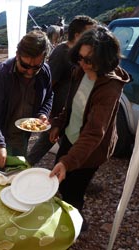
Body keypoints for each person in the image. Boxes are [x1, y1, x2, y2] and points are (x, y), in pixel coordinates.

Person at [49, 26, 131, 230]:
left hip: (91, 149)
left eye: (89, 60)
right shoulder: (80, 70)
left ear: (105, 59)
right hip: (70, 138)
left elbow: (95, 132)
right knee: (64, 183)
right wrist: (59, 123)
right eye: (81, 57)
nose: (83, 63)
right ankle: (68, 217)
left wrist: (67, 162)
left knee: (74, 190)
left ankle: (76, 226)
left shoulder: (109, 87)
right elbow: (73, 104)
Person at [27, 15, 98, 166]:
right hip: (59, 111)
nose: (93, 38)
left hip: (73, 111)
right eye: (90, 33)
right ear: (78, 35)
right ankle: (23, 168)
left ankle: (62, 174)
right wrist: (48, 112)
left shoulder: (82, 54)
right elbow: (49, 83)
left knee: (70, 145)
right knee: (45, 142)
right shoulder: (61, 53)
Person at [0, 30, 53, 168]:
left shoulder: (45, 72)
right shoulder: (2, 73)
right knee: (0, 172)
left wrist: (42, 113)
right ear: (17, 55)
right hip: (4, 133)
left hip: (24, 135)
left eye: (36, 67)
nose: (30, 72)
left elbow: (49, 95)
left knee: (17, 170)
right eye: (25, 65)